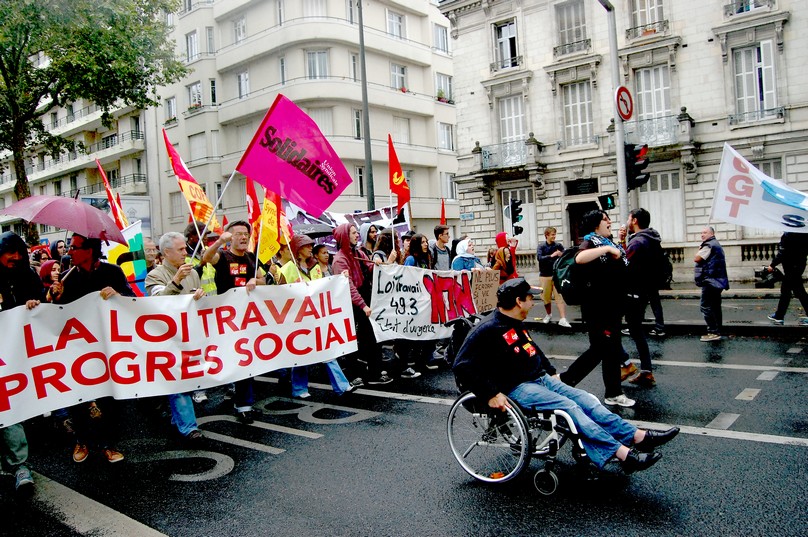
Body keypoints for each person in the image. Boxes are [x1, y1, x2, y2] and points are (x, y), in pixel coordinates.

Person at [452, 278, 678, 474]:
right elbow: (461, 365)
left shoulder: (514, 321)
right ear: (519, 301)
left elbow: (532, 348)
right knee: (569, 408)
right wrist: (491, 393)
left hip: (539, 379)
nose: (533, 302)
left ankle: (638, 436)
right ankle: (623, 455)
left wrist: (551, 372)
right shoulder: (487, 329)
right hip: (515, 387)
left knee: (586, 400)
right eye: (530, 298)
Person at [49, 233, 134, 463]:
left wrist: (118, 295)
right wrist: (55, 297)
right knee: (78, 396)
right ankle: (82, 440)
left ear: (89, 251)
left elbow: (132, 299)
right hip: (78, 347)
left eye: (75, 247)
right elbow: (56, 314)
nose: (70, 251)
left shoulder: (112, 272)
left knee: (109, 398)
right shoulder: (67, 277)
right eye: (70, 247)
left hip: (107, 345)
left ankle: (108, 444)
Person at [558, 210, 634, 407]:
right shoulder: (591, 242)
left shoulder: (608, 242)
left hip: (612, 306)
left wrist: (617, 244)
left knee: (609, 349)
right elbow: (579, 258)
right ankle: (567, 380)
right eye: (605, 219)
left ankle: (611, 392)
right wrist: (607, 249)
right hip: (598, 308)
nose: (609, 222)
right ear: (595, 225)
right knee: (603, 349)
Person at [201, 220, 268, 423]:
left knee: (248, 360)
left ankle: (242, 401)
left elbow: (263, 280)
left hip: (249, 318)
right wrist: (218, 242)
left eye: (246, 233)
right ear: (229, 237)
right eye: (238, 234)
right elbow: (206, 258)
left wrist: (256, 281)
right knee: (240, 360)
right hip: (229, 320)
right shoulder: (223, 256)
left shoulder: (251, 257)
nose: (243, 237)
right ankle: (242, 405)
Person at [278, 234, 356, 397]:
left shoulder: (315, 267)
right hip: (298, 319)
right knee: (301, 354)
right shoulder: (287, 269)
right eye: (307, 246)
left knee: (326, 350)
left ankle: (342, 385)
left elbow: (324, 286)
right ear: (298, 249)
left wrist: (340, 279)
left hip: (317, 316)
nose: (310, 248)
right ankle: (299, 389)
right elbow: (279, 294)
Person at [145, 232, 206, 441]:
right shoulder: (155, 275)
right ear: (166, 252)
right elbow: (158, 301)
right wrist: (176, 280)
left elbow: (200, 300)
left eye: (185, 248)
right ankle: (189, 428)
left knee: (187, 379)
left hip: (190, 335)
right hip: (168, 338)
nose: (185, 252)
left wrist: (201, 296)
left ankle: (176, 416)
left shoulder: (193, 273)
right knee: (178, 380)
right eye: (180, 249)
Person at [0, 231, 45, 492]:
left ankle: (19, 465)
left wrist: (36, 304)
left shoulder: (28, 276)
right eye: (10, 252)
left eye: (19, 252)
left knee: (8, 407)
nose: (16, 257)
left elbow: (42, 307)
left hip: (17, 352)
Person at [331, 223, 392, 386]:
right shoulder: (340, 260)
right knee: (351, 339)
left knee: (372, 336)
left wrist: (377, 263)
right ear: (344, 237)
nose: (357, 235)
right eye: (352, 233)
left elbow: (370, 268)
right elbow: (348, 286)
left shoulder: (358, 253)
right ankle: (354, 375)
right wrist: (363, 305)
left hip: (362, 297)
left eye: (357, 232)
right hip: (349, 302)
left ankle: (374, 372)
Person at [620, 209, 663, 387]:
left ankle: (626, 365)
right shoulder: (651, 238)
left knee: (608, 328)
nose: (627, 221)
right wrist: (624, 241)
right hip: (644, 290)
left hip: (633, 291)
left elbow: (623, 264)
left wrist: (621, 244)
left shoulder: (637, 242)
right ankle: (646, 371)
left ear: (635, 220)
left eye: (629, 218)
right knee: (636, 331)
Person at [694, 226, 729, 342]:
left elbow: (697, 258)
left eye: (705, 232)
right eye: (701, 232)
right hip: (717, 280)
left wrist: (699, 249)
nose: (702, 235)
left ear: (712, 234)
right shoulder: (715, 244)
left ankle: (713, 332)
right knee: (715, 307)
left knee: (705, 306)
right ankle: (718, 330)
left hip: (710, 280)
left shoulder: (708, 245)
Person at [766, 231, 808, 325]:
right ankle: (779, 316)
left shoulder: (788, 235)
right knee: (792, 291)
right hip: (799, 266)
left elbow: (782, 253)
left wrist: (772, 265)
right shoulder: (804, 234)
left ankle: (779, 316)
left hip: (790, 268)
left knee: (793, 292)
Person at [536, 226, 570, 328]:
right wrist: (551, 255)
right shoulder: (541, 247)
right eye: (552, 235)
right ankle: (549, 314)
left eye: (555, 234)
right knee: (546, 298)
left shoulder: (558, 245)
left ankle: (563, 318)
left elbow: (566, 256)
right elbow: (539, 258)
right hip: (544, 276)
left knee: (559, 297)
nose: (554, 236)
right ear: (546, 235)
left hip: (556, 275)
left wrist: (561, 254)